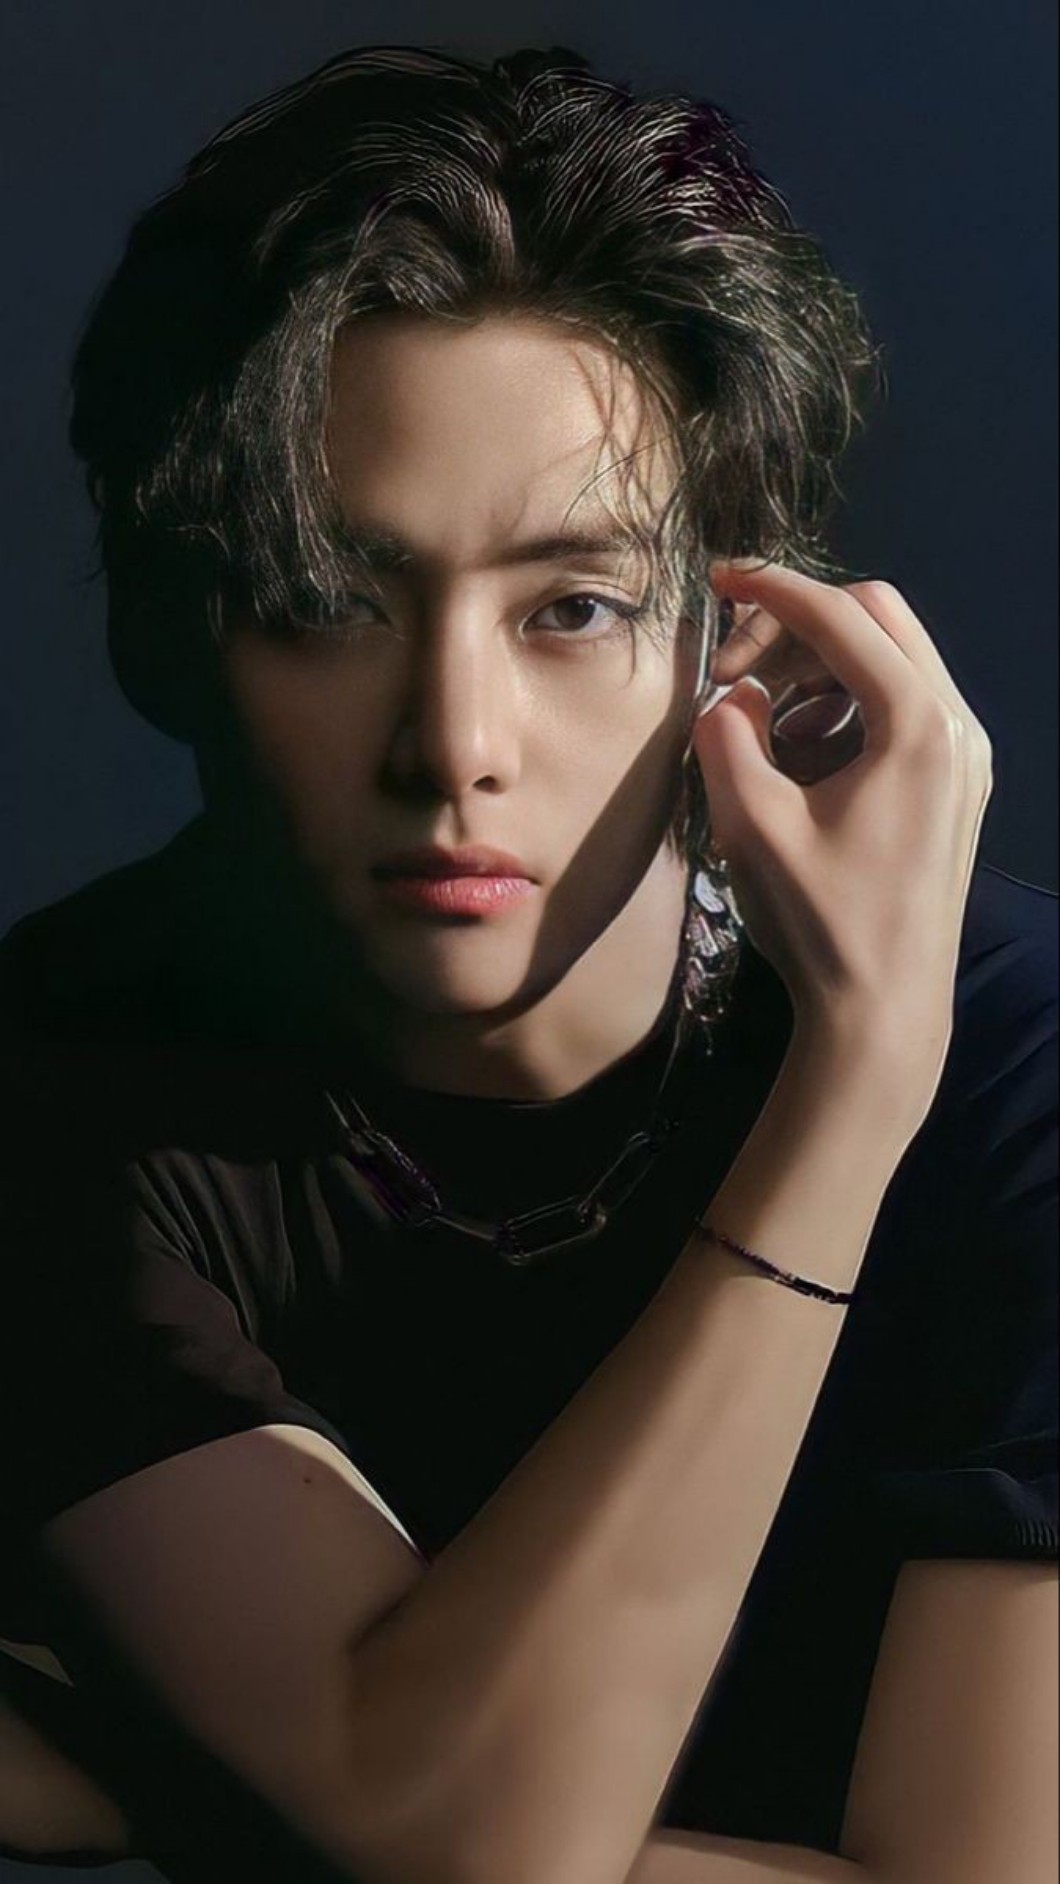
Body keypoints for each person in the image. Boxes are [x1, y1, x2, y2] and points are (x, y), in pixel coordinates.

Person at [0, 41, 1056, 1884]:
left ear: (738, 641)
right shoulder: (58, 1085)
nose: (454, 744)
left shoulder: (1016, 1056)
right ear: (171, 640)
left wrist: (866, 1073)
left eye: (571, 606)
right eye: (328, 604)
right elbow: (471, 1845)